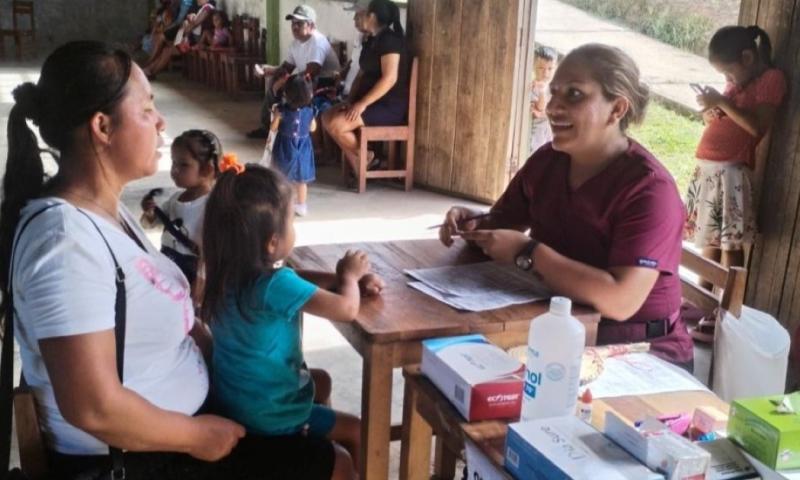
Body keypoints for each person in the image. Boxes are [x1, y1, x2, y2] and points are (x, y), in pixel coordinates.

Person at [0, 40, 343, 479]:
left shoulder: (105, 212)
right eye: (146, 110)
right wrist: (197, 436)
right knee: (338, 464)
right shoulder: (65, 242)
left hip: (177, 425)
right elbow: (93, 407)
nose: (161, 122)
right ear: (102, 127)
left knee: (313, 392)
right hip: (142, 457)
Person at [439, 44, 694, 370]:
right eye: (553, 93)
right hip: (557, 330)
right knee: (449, 369)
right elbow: (504, 224)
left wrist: (528, 253)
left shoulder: (648, 190)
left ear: (616, 109)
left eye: (574, 95)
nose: (553, 107)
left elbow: (620, 301)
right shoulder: (549, 161)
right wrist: (473, 222)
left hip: (637, 351)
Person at [201, 163, 386, 480]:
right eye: (291, 221)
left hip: (236, 401)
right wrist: (351, 276)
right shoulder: (274, 284)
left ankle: (313, 441)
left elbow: (296, 281)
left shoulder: (226, 273)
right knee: (357, 430)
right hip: (270, 416)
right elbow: (346, 309)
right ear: (272, 242)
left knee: (322, 380)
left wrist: (337, 279)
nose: (294, 227)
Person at [683, 26, 786, 342]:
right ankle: (701, 302)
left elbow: (755, 127)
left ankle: (727, 312)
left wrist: (724, 104)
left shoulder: (771, 80)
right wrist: (712, 109)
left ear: (748, 57)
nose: (728, 79)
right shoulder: (735, 86)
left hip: (730, 172)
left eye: (729, 71)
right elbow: (725, 118)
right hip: (709, 170)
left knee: (730, 244)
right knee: (709, 241)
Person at [322, 0, 409, 179]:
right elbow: (361, 76)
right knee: (326, 116)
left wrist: (361, 104)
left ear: (372, 16)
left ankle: (362, 163)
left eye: (360, 13)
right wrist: (350, 101)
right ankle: (365, 159)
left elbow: (389, 79)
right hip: (369, 102)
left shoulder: (390, 41)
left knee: (337, 124)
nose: (356, 17)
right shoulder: (371, 40)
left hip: (387, 106)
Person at [140, 129, 222, 286]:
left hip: (193, 271)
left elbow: (212, 251)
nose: (174, 170)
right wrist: (149, 212)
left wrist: (201, 281)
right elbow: (151, 224)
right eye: (173, 162)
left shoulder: (212, 205)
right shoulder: (175, 199)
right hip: (168, 262)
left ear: (207, 169)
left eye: (183, 165)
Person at [247, 5, 341, 139]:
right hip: (307, 82)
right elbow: (286, 68)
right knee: (275, 83)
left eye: (299, 23)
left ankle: (289, 130)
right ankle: (269, 126)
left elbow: (311, 73)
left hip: (323, 85)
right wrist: (269, 70)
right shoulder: (296, 43)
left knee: (282, 87)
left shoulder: (317, 42)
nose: (294, 27)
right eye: (293, 23)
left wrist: (285, 82)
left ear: (311, 25)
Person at [270, 75, 317, 216]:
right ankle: (301, 205)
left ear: (287, 94)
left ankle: (284, 205)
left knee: (283, 177)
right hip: (303, 146)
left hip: (285, 147)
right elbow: (312, 128)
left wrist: (276, 117)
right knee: (301, 180)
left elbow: (273, 128)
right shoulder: (310, 110)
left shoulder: (282, 110)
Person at [143, 0, 215, 79]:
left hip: (198, 40)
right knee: (166, 49)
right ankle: (150, 70)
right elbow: (187, 20)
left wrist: (188, 25)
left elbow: (195, 23)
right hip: (190, 36)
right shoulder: (196, 4)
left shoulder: (208, 7)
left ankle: (152, 72)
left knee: (169, 51)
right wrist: (189, 19)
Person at [529, 45, 557, 156]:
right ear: (533, 67)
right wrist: (542, 91)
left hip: (552, 138)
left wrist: (545, 113)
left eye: (550, 69)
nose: (545, 73)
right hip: (535, 139)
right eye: (541, 68)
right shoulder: (531, 87)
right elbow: (540, 109)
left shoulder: (557, 88)